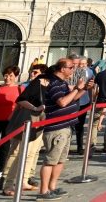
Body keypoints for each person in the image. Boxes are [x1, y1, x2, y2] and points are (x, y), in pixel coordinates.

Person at [40, 58, 93, 200]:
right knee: (50, 160)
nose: (73, 70)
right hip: (56, 128)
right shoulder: (54, 84)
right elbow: (62, 102)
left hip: (66, 126)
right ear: (62, 69)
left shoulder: (62, 83)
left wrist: (85, 89)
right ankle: (44, 190)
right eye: (71, 67)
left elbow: (72, 99)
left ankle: (52, 187)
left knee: (60, 160)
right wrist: (76, 88)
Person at [2, 63, 47, 197]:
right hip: (25, 121)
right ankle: (7, 182)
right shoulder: (33, 85)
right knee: (16, 152)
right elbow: (20, 101)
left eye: (36, 72)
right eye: (32, 72)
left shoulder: (46, 85)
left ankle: (23, 180)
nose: (32, 74)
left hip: (39, 122)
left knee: (31, 153)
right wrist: (35, 108)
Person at [0, 67, 22, 176]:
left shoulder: (20, 89)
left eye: (11, 75)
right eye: (6, 75)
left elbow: (21, 105)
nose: (7, 78)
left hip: (10, 121)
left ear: (16, 76)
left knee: (5, 146)